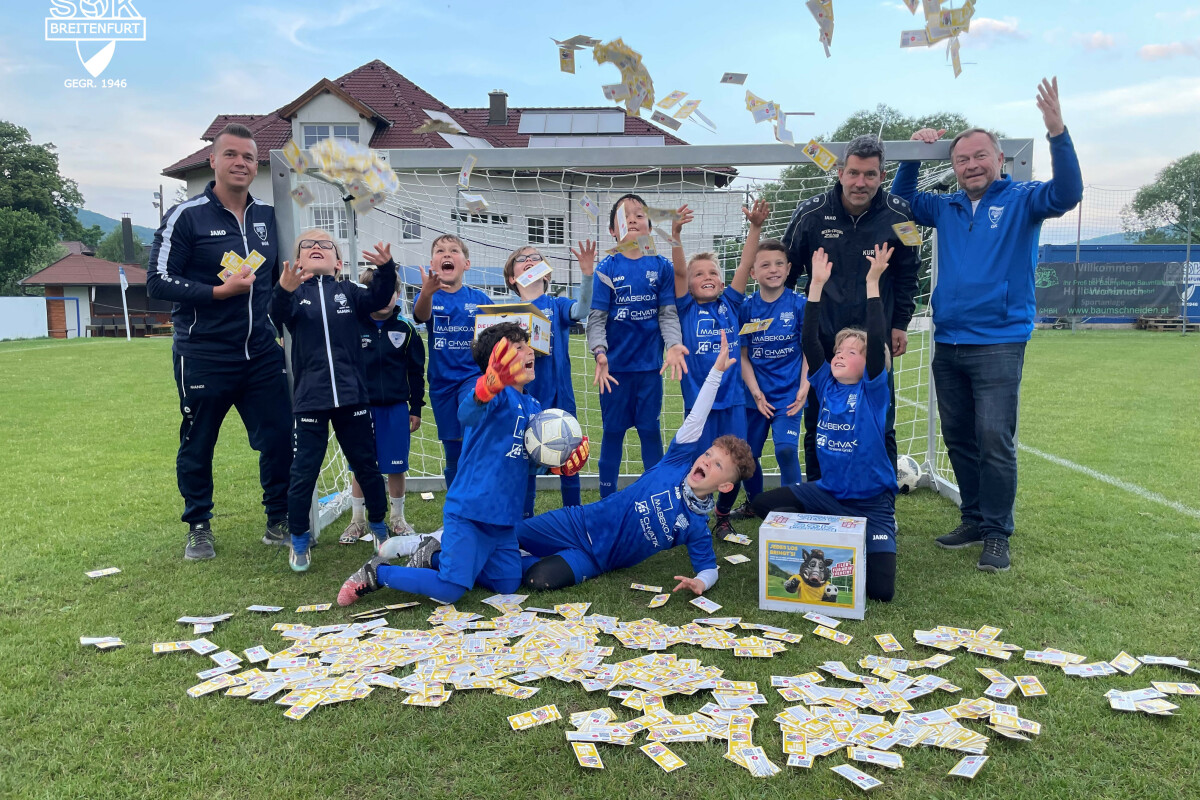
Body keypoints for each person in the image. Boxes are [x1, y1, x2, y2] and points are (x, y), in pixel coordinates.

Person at [891, 77, 1082, 572]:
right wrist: (913, 153)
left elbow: (1069, 192)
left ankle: (998, 531)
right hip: (948, 340)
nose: (972, 165)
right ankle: (973, 517)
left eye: (980, 156)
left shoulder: (1023, 199)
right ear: (952, 167)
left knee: (995, 438)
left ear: (999, 159)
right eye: (962, 159)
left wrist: (1057, 130)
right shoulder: (946, 206)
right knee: (959, 437)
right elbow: (901, 203)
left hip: (999, 341)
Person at [335, 323, 588, 606]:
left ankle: (434, 555)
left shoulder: (534, 408)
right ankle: (377, 573)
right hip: (470, 512)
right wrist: (488, 386)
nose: (530, 350)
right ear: (497, 361)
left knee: (507, 583)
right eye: (518, 348)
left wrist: (557, 465)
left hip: (503, 520)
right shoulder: (496, 395)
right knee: (450, 590)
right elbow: (466, 412)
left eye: (527, 345)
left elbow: (529, 464)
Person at [146, 122, 292, 561]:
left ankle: (279, 518)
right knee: (198, 441)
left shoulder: (268, 216)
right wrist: (217, 293)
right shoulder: (187, 216)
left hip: (262, 352)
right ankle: (198, 525)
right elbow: (157, 281)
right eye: (231, 155)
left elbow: (280, 277)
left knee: (280, 437)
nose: (240, 163)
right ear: (213, 160)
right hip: (204, 354)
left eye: (248, 157)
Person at [518, 331, 756, 595]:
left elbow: (708, 568)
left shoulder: (696, 525)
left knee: (536, 579)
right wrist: (716, 373)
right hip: (578, 523)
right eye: (709, 454)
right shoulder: (676, 463)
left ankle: (518, 559)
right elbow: (697, 418)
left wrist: (701, 582)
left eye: (718, 465)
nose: (707, 461)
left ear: (724, 487)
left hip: (596, 560)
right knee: (513, 535)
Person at [750, 243, 898, 602]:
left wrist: (873, 281)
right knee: (761, 506)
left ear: (869, 363)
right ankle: (833, 538)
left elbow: (876, 338)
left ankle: (870, 536)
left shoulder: (873, 392)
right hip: (827, 495)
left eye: (851, 352)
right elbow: (809, 339)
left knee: (881, 591)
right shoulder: (825, 384)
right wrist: (815, 285)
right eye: (838, 350)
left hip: (871, 504)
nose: (840, 355)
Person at [781, 134, 920, 485]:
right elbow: (786, 272)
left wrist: (901, 322)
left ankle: (882, 503)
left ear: (882, 176)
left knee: (880, 420)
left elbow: (908, 273)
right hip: (824, 337)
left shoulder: (901, 214)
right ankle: (819, 493)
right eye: (854, 173)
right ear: (840, 172)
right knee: (818, 418)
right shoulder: (810, 213)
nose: (861, 182)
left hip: (875, 338)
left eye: (870, 175)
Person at [270, 232, 398, 572]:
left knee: (367, 466)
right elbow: (276, 312)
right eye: (308, 246)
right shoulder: (295, 295)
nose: (316, 247)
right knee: (303, 472)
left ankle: (379, 528)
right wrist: (283, 287)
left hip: (352, 396)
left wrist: (386, 269)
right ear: (298, 262)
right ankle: (299, 539)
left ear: (338, 263)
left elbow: (381, 297)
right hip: (310, 400)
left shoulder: (350, 292)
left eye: (326, 246)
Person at [670, 200, 764, 538]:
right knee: (699, 464)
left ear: (722, 284)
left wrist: (754, 228)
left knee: (733, 466)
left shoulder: (730, 303)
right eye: (699, 274)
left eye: (712, 273)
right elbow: (679, 271)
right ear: (690, 285)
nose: (706, 277)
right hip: (699, 405)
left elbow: (745, 264)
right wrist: (676, 235)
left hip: (733, 401)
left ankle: (722, 517)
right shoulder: (684, 309)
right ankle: (691, 519)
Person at [586, 194, 690, 497]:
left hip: (648, 371)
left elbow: (667, 315)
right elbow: (596, 320)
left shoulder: (661, 267)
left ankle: (654, 497)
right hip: (614, 371)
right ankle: (607, 500)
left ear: (649, 225)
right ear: (613, 231)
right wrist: (600, 353)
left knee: (649, 433)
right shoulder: (606, 267)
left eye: (639, 215)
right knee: (613, 433)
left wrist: (673, 344)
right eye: (624, 216)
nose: (632, 219)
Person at [502, 240, 594, 515]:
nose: (529, 259)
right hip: (525, 401)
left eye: (536, 257)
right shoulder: (508, 315)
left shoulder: (556, 304)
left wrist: (587, 274)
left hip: (560, 399)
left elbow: (581, 311)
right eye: (522, 258)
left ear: (546, 273)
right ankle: (524, 522)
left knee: (569, 461)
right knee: (524, 463)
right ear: (512, 277)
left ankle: (574, 518)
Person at [340, 267, 426, 544]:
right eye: (378, 293)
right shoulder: (353, 325)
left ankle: (397, 519)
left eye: (391, 293)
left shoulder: (407, 329)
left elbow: (416, 371)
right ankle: (357, 521)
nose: (386, 299)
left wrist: (415, 408)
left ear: (398, 294)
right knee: (360, 465)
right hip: (360, 408)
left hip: (395, 408)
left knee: (396, 466)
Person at [412, 234, 494, 489]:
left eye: (453, 250)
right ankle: (455, 509)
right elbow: (420, 315)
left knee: (472, 435)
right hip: (441, 384)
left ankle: (479, 497)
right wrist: (426, 293)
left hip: (472, 378)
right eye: (440, 251)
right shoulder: (428, 296)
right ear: (432, 264)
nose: (446, 254)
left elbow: (498, 330)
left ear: (466, 264)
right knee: (453, 449)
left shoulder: (480, 299)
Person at [735, 235, 809, 516]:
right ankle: (757, 506)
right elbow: (742, 356)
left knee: (787, 450)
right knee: (748, 456)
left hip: (789, 393)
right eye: (765, 265)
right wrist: (755, 392)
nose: (773, 269)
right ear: (752, 272)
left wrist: (804, 387)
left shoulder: (798, 305)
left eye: (779, 263)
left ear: (789, 269)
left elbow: (807, 352)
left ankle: (794, 508)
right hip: (755, 396)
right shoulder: (746, 309)